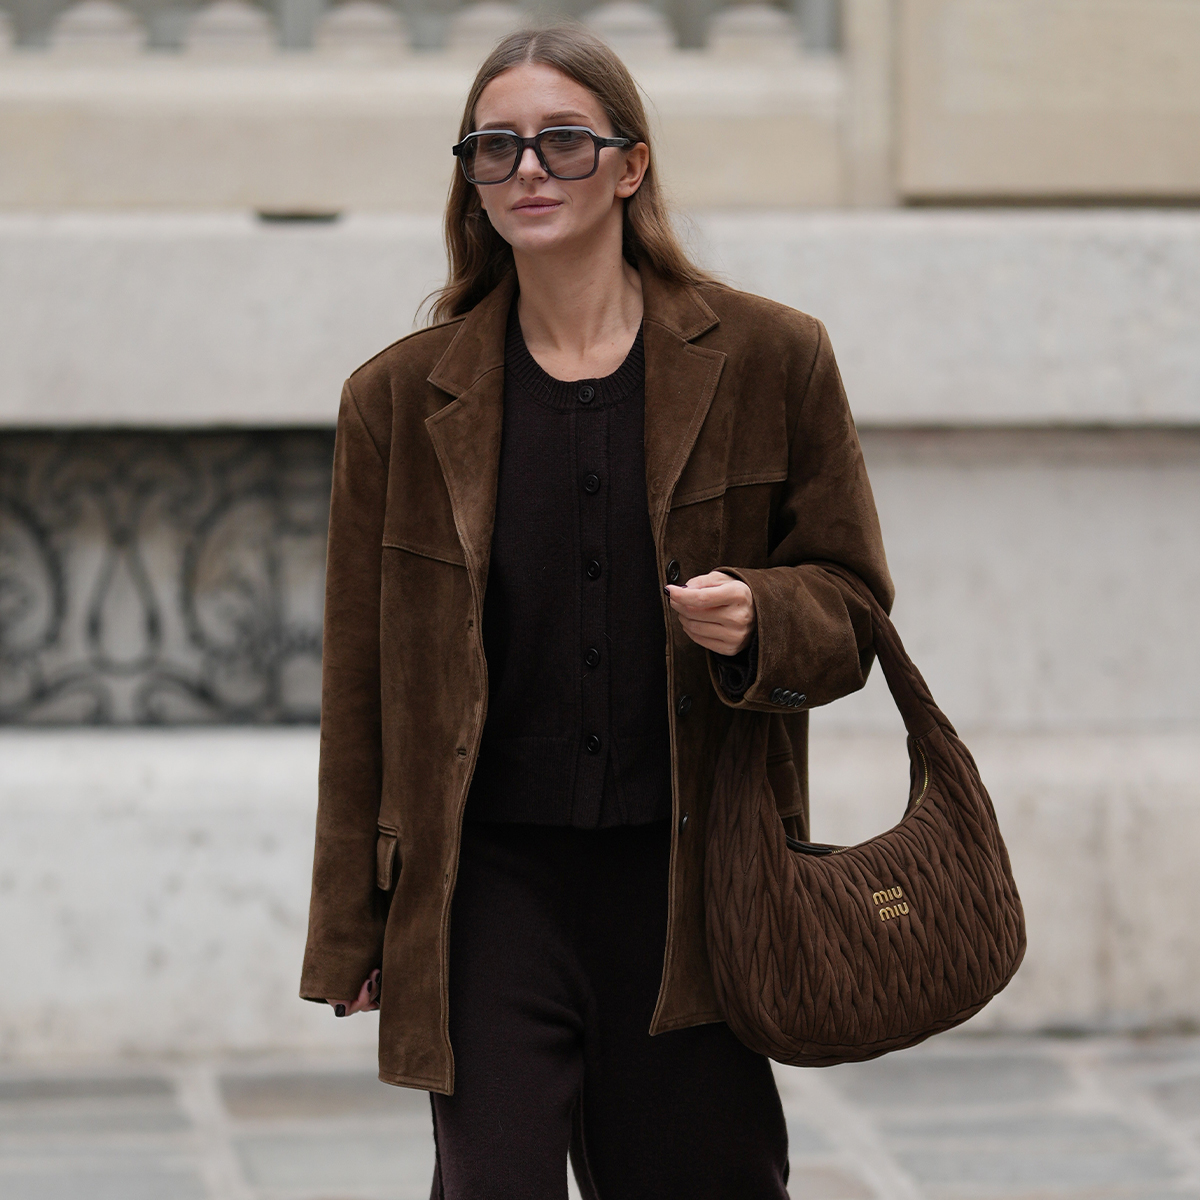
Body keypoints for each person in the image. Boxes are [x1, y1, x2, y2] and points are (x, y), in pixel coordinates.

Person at [300, 23, 893, 1200]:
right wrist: (350, 929)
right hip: (487, 889)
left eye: (565, 142)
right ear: (469, 177)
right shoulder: (398, 400)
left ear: (630, 165)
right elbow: (362, 682)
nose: (529, 170)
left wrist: (762, 617)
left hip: (696, 884)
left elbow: (854, 609)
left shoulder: (775, 359)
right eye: (496, 147)